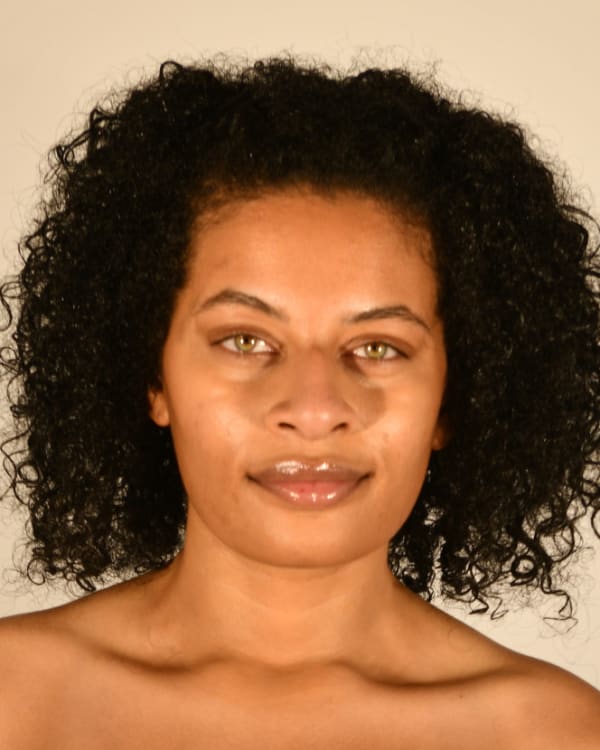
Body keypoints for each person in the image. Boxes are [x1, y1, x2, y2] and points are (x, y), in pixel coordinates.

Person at [0, 55, 598, 748]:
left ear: (453, 396)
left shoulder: (559, 735)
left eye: (379, 348)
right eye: (246, 341)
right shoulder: (15, 699)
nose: (315, 411)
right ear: (153, 375)